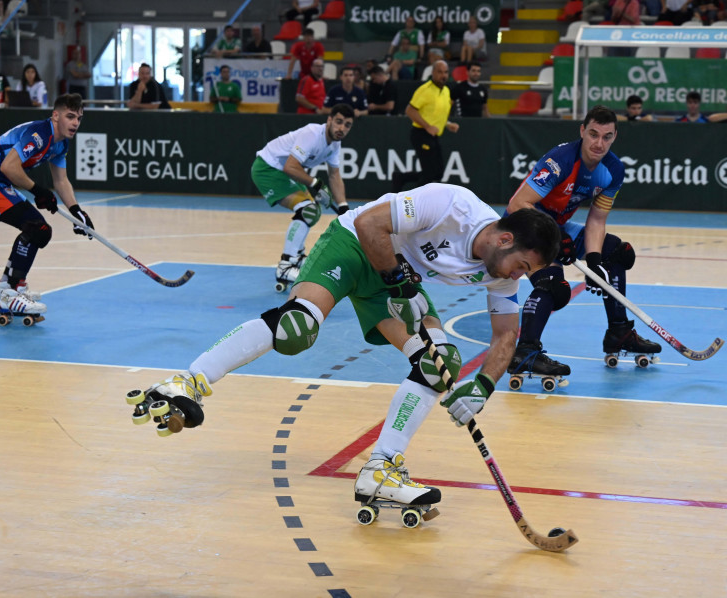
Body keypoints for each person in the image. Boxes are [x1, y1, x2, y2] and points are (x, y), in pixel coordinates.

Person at [134, 185, 560, 514]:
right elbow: (370, 224)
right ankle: (185, 382)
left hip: (396, 278)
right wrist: (395, 280)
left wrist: (482, 386)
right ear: (505, 239)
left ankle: (381, 469)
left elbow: (506, 335)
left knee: (438, 365)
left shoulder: (501, 276)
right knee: (296, 328)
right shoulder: (453, 205)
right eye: (522, 266)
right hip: (357, 246)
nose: (518, 277)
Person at [504, 105, 661, 382]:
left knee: (615, 253)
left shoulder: (612, 170)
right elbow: (519, 204)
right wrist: (555, 236)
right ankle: (525, 353)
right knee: (553, 284)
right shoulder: (560, 160)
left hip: (559, 228)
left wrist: (594, 260)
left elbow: (597, 220)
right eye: (593, 134)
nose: (599, 143)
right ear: (582, 132)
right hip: (523, 228)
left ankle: (619, 332)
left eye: (607, 137)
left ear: (614, 137)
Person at [0, 94, 94, 319]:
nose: (75, 123)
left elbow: (61, 180)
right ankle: (10, 292)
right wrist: (38, 192)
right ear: (55, 115)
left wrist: (76, 211)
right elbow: (9, 167)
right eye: (70, 116)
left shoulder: (61, 143)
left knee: (40, 232)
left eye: (79, 118)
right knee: (36, 227)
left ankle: (9, 287)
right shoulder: (40, 134)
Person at [249, 103, 353, 287]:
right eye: (338, 122)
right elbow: (290, 166)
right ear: (329, 120)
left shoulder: (334, 144)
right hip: (268, 168)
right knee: (308, 210)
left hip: (283, 172)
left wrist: (343, 207)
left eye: (347, 125)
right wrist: (316, 184)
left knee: (313, 211)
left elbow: (334, 175)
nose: (342, 128)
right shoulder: (312, 134)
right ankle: (286, 264)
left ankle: (296, 257)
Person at [391, 61, 459, 192]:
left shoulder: (446, 91)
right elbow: (410, 110)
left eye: (445, 72)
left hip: (434, 136)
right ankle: (414, 203)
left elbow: (436, 114)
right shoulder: (425, 90)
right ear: (433, 73)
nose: (443, 75)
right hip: (421, 133)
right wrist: (427, 126)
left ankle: (401, 178)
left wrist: (448, 124)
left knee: (438, 173)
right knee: (429, 173)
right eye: (439, 72)